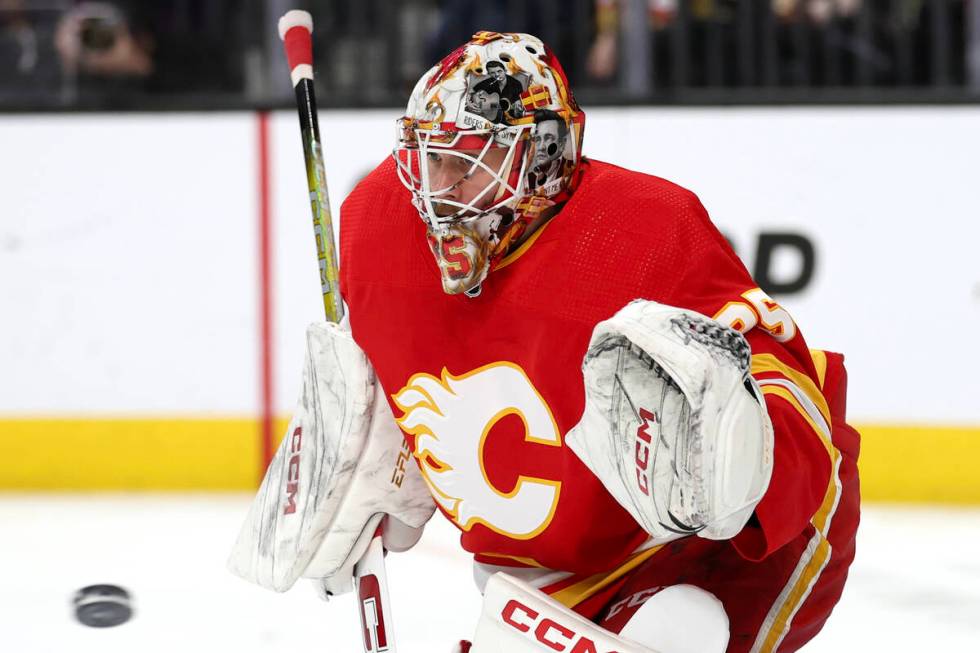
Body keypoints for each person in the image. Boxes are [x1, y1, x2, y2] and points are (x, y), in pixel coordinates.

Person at [231, 31, 859, 653]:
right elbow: (388, 356)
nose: (439, 191)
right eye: (432, 158)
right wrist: (374, 442)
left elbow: (781, 379)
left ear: (543, 156)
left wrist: (736, 460)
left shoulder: (641, 232)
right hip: (549, 570)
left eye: (470, 162)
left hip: (703, 549)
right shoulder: (377, 222)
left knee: (680, 630)